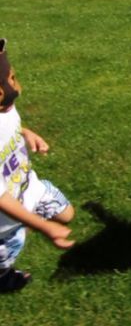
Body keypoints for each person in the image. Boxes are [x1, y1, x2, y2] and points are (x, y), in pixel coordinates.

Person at [0, 38, 75, 293]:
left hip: (28, 186)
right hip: (3, 222)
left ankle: (31, 214)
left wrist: (26, 133)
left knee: (67, 215)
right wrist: (42, 226)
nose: (13, 90)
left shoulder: (5, 109)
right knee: (7, 255)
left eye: (11, 79)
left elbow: (10, 125)